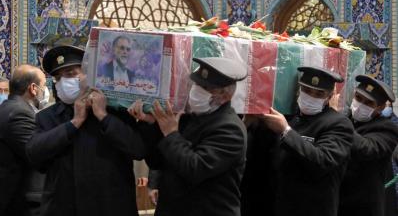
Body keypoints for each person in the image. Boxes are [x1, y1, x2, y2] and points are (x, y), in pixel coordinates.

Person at [26, 45, 148, 216]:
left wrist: (104, 116)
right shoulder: (47, 117)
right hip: (64, 208)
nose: (64, 82)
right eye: (58, 78)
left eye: (70, 74)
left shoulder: (117, 111)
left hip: (110, 207)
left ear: (89, 75)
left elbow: (138, 149)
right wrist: (74, 123)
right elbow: (35, 154)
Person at [129, 57, 248, 216]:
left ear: (225, 95)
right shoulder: (189, 117)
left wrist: (170, 133)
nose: (198, 90)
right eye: (197, 84)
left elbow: (194, 169)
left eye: (206, 88)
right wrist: (152, 124)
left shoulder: (230, 129)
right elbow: (157, 160)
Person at [241, 66, 354, 216]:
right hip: (275, 204)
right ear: (299, 90)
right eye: (306, 90)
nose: (311, 96)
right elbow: (259, 154)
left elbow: (323, 161)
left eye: (319, 93)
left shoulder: (338, 124)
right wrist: (248, 123)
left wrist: (286, 132)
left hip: (309, 208)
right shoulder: (287, 116)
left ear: (329, 96)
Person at [0, 65, 49, 216]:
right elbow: (37, 154)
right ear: (33, 88)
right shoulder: (19, 112)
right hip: (17, 202)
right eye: (44, 85)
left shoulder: (11, 107)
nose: (45, 90)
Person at [338, 75, 398, 216]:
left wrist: (337, 120)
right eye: (358, 98)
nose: (360, 105)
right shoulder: (347, 119)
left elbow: (366, 148)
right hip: (340, 198)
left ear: (381, 107)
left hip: (364, 205)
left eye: (369, 103)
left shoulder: (387, 128)